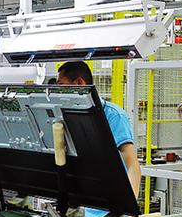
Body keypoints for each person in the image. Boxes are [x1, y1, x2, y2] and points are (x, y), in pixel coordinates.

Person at [56, 61, 142, 201]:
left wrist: (129, 207)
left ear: (79, 83)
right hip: (85, 201)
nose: (57, 91)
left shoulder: (114, 116)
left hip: (111, 203)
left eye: (61, 85)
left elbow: (133, 165)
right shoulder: (67, 115)